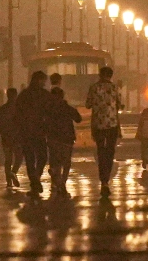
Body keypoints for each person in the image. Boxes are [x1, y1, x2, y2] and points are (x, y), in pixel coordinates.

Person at [85, 66, 122, 198]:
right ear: (111, 75)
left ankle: (103, 181)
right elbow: (120, 105)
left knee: (101, 151)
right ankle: (106, 179)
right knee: (110, 152)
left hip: (98, 124)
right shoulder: (114, 88)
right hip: (112, 124)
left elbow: (88, 104)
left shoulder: (93, 88)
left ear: (100, 75)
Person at [15, 71, 54, 197]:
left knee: (30, 159)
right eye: (43, 80)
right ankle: (36, 177)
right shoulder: (44, 95)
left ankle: (34, 181)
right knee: (42, 156)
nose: (44, 83)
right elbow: (50, 112)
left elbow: (17, 114)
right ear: (39, 80)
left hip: (26, 132)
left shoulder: (24, 95)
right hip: (39, 131)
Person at [45, 87, 82, 197]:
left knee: (55, 161)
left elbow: (43, 123)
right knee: (66, 162)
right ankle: (62, 183)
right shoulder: (67, 108)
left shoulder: (48, 109)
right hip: (67, 138)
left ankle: (56, 176)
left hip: (53, 138)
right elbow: (78, 119)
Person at [0, 87, 22, 190]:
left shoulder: (2, 109)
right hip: (16, 137)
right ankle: (13, 173)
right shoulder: (19, 109)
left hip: (6, 137)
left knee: (8, 159)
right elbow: (22, 123)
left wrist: (2, 132)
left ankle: (9, 181)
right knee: (19, 157)